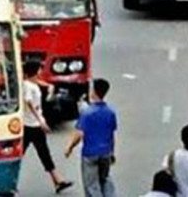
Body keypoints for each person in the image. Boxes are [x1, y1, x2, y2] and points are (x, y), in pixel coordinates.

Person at [22, 61, 73, 194]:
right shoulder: (28, 86)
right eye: (39, 69)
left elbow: (38, 82)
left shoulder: (31, 83)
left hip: (34, 124)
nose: (40, 72)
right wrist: (40, 120)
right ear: (35, 71)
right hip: (30, 125)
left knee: (43, 153)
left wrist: (49, 86)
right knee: (26, 154)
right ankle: (57, 180)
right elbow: (28, 102)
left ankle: (57, 180)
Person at [65, 78, 117, 197]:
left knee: (91, 185)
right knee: (104, 179)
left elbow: (79, 134)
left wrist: (70, 148)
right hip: (106, 152)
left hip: (90, 153)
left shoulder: (87, 113)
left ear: (93, 92)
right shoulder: (110, 112)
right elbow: (112, 135)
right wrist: (112, 152)